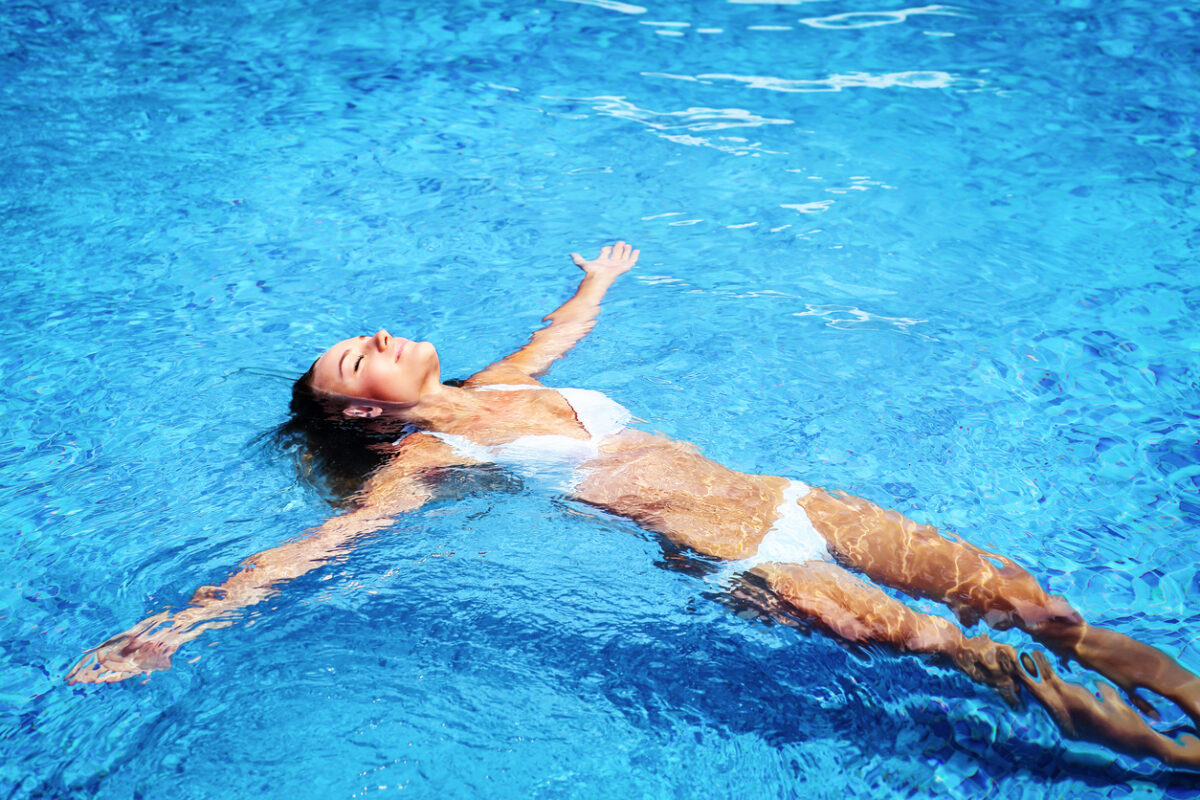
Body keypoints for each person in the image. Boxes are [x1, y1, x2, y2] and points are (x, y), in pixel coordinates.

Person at [68, 243, 1200, 768]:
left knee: (1033, 603)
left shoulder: (500, 384)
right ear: (367, 418)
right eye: (355, 359)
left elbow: (561, 340)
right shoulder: (424, 461)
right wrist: (179, 623)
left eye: (363, 333)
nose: (375, 338)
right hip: (733, 555)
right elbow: (317, 547)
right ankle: (1156, 751)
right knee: (967, 649)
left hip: (793, 499)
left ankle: (1179, 694)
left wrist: (596, 281)